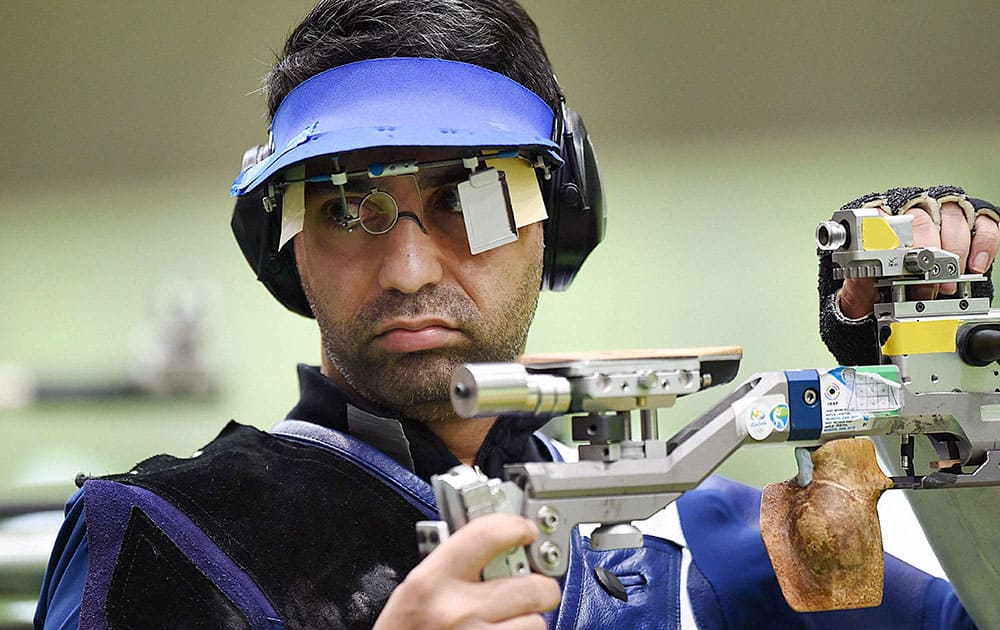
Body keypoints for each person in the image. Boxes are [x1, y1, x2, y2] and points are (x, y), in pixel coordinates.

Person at [34, 1, 999, 628]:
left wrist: (931, 383)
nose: (409, 268)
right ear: (285, 251)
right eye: (344, 210)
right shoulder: (163, 534)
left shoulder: (692, 546)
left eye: (468, 197)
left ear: (559, 220)